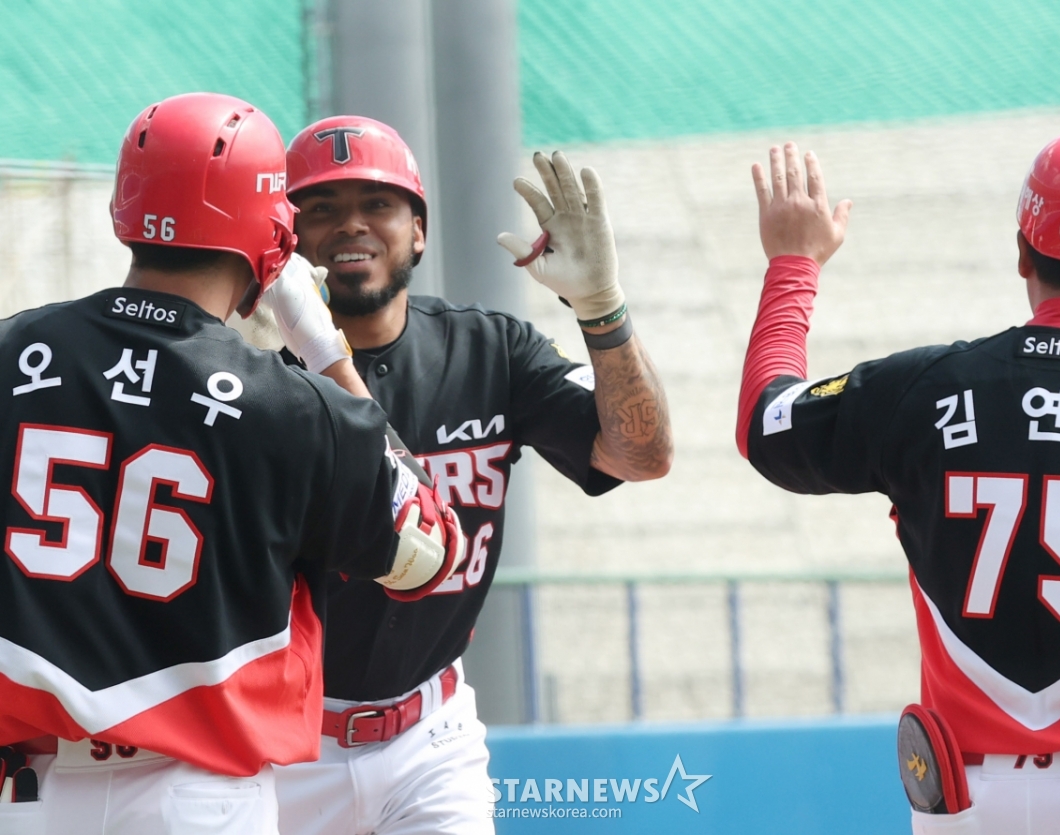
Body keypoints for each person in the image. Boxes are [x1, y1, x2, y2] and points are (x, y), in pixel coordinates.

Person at [0, 93, 463, 835]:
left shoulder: (10, 352)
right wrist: (325, 352)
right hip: (199, 799)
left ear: (125, 210)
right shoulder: (297, 406)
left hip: (31, 793)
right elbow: (430, 556)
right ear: (273, 237)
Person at [736, 135, 1060, 833]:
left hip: (963, 803)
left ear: (1023, 253)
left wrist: (793, 263)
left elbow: (764, 423)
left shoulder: (921, 390)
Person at [270, 116, 672, 835]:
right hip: (280, 741)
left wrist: (602, 308)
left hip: (431, 735)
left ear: (419, 232)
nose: (351, 225)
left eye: (378, 204)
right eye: (321, 208)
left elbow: (642, 455)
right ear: (286, 239)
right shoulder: (251, 377)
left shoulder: (492, 349)